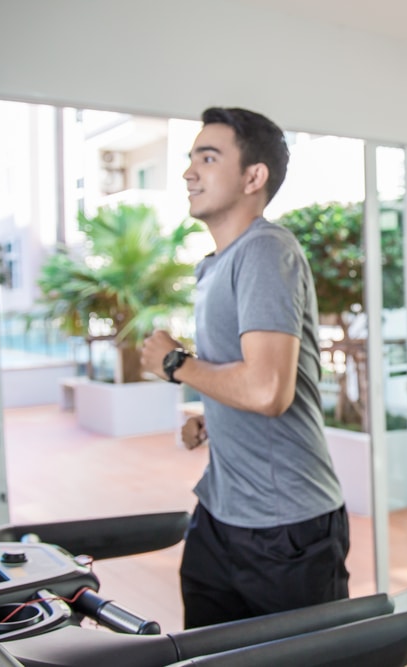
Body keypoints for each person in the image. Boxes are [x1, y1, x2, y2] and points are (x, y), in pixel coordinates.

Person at [141, 107, 349, 628]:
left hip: (286, 529)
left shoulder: (265, 249)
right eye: (191, 158)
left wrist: (174, 363)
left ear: (254, 177)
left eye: (208, 158)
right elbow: (252, 380)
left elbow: (267, 391)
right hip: (220, 515)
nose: (189, 172)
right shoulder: (219, 264)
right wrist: (216, 417)